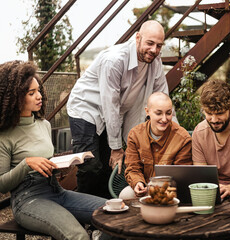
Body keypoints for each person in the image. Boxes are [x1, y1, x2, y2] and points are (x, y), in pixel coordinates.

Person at [0, 61, 109, 240]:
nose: (39, 96)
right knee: (77, 236)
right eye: (31, 93)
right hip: (28, 200)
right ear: (15, 97)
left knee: (115, 214)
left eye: (39, 91)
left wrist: (61, 165)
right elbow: (2, 185)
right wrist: (26, 164)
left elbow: (46, 160)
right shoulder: (4, 136)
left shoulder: (44, 125)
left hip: (57, 191)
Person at [67, 20, 175, 198]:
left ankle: (106, 212)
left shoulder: (155, 62)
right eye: (150, 43)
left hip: (114, 113)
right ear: (138, 38)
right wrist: (116, 148)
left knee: (111, 167)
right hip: (87, 109)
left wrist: (174, 134)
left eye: (159, 46)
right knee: (91, 166)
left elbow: (164, 99)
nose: (154, 50)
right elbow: (110, 105)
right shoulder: (114, 60)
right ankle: (85, 216)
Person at [121, 92, 192, 199]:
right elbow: (132, 168)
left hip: (170, 191)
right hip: (145, 188)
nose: (164, 119)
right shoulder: (135, 134)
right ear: (147, 112)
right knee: (125, 195)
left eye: (168, 113)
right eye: (158, 113)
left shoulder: (182, 138)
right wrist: (138, 183)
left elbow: (182, 176)